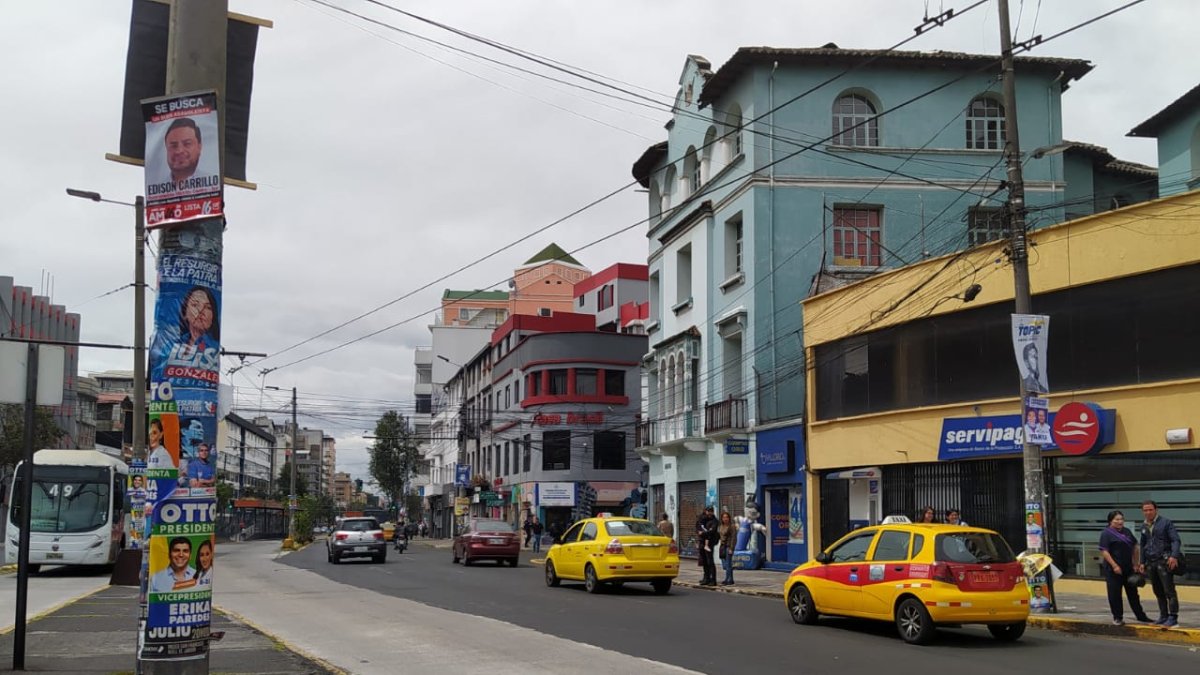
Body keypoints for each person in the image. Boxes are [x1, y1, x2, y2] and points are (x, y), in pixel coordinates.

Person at [1099, 510, 1151, 625]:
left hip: (1128, 568)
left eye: (1121, 519)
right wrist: (1115, 566)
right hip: (1113, 570)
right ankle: (1118, 617)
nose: (1120, 522)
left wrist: (1135, 563)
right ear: (1110, 521)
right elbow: (1105, 551)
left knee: (1133, 594)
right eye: (1116, 519)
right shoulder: (1106, 534)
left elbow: (1135, 546)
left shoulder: (1126, 531)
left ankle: (1140, 616)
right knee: (1115, 594)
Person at [1138, 500, 1182, 627]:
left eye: (1150, 509)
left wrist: (1174, 556)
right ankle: (1163, 616)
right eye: (1145, 510)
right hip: (1151, 563)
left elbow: (1175, 540)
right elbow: (1142, 544)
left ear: (1156, 510)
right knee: (1157, 590)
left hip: (1164, 561)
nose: (1148, 512)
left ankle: (1173, 617)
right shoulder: (1144, 526)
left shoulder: (1166, 523)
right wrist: (1142, 561)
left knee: (1169, 590)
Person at [164, 117, 203, 184]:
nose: (179, 151)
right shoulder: (158, 188)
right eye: (174, 145)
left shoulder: (214, 184)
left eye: (187, 144)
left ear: (199, 147)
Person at [698, 506, 719, 586]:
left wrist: (703, 533)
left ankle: (713, 579)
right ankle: (706, 578)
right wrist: (700, 532)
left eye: (711, 511)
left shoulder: (714, 521)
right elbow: (698, 527)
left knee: (710, 561)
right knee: (704, 561)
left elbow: (712, 531)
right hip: (702, 542)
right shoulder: (702, 519)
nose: (709, 512)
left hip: (710, 543)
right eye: (708, 511)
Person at [718, 510, 736, 586]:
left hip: (728, 546)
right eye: (724, 517)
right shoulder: (721, 526)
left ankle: (729, 579)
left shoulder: (732, 526)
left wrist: (731, 548)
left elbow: (733, 538)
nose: (725, 519)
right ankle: (729, 578)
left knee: (728, 564)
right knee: (725, 564)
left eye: (727, 517)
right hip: (722, 546)